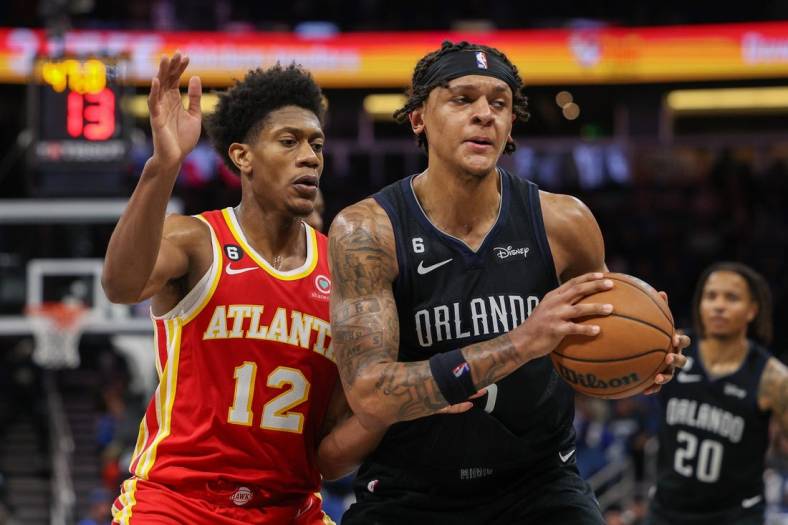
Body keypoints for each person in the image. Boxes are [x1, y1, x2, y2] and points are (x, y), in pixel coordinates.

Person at [328, 40, 689, 524]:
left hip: (538, 485)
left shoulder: (565, 222)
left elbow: (597, 344)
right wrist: (520, 343)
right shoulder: (367, 231)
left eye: (499, 103)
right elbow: (369, 393)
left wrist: (643, 360)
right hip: (411, 491)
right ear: (418, 118)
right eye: (462, 99)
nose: (484, 115)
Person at [102, 53, 381, 524]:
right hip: (177, 503)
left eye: (317, 144)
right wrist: (163, 165)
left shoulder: (344, 270)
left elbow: (332, 446)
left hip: (289, 508)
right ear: (242, 156)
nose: (310, 156)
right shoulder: (196, 240)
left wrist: (399, 401)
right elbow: (121, 284)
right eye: (289, 142)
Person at [649, 262, 788, 525]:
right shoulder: (673, 352)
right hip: (667, 511)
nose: (719, 305)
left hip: (736, 515)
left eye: (731, 297)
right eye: (710, 296)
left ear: (752, 310)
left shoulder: (772, 377)